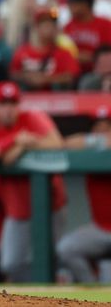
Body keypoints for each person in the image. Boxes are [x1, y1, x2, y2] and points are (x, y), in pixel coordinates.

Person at [0, 81, 67, 282]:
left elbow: (57, 143)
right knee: (11, 263)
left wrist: (21, 148)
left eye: (12, 104)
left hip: (50, 205)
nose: (8, 110)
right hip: (18, 209)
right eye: (3, 104)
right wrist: (16, 140)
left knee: (54, 258)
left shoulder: (33, 117)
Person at [57, 108, 111, 283]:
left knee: (108, 279)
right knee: (66, 248)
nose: (102, 132)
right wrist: (98, 141)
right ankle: (91, 292)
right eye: (98, 128)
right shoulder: (91, 150)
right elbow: (66, 143)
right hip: (100, 229)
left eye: (107, 127)